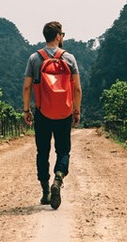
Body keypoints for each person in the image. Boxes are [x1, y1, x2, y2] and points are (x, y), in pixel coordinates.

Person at [22, 21, 82, 209]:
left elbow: (27, 87)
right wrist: (76, 110)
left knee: (42, 151)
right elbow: (77, 89)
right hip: (64, 112)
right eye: (62, 34)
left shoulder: (34, 58)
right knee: (63, 150)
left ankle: (45, 191)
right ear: (57, 36)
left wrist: (26, 110)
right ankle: (59, 177)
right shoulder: (69, 58)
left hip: (42, 113)